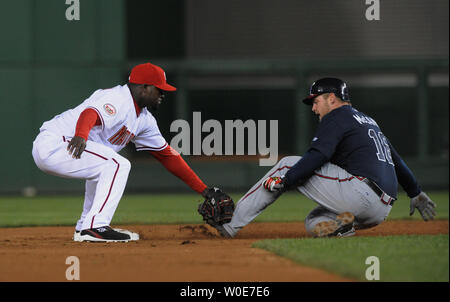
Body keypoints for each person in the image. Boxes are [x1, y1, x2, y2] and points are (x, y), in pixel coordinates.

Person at [213, 77, 436, 238]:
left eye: (316, 101)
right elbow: (396, 161)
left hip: (360, 194)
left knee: (287, 165)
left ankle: (230, 225)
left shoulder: (338, 115)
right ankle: (340, 229)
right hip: (380, 211)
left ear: (331, 98)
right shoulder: (368, 121)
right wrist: (415, 192)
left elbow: (319, 154)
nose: (314, 108)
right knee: (314, 221)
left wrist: (286, 180)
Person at [32, 62, 230, 242]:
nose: (163, 95)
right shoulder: (118, 98)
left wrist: (205, 190)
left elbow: (168, 156)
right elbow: (89, 113)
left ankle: (85, 226)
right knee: (118, 164)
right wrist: (81, 135)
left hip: (68, 144)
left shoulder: (144, 120)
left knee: (104, 168)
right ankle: (95, 227)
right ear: (144, 87)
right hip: (57, 143)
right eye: (159, 90)